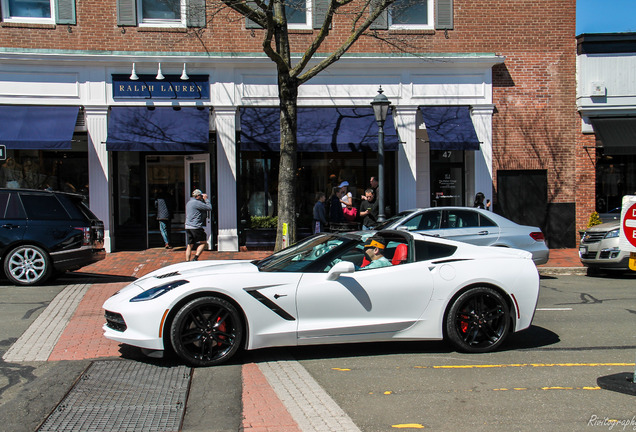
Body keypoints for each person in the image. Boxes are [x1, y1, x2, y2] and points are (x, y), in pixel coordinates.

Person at [185, 189, 212, 261]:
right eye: (201, 196)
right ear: (197, 196)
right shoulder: (197, 203)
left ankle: (187, 260)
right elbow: (209, 208)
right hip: (196, 227)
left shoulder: (189, 202)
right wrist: (206, 199)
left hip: (188, 226)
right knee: (203, 243)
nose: (202, 197)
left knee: (189, 245)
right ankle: (195, 257)